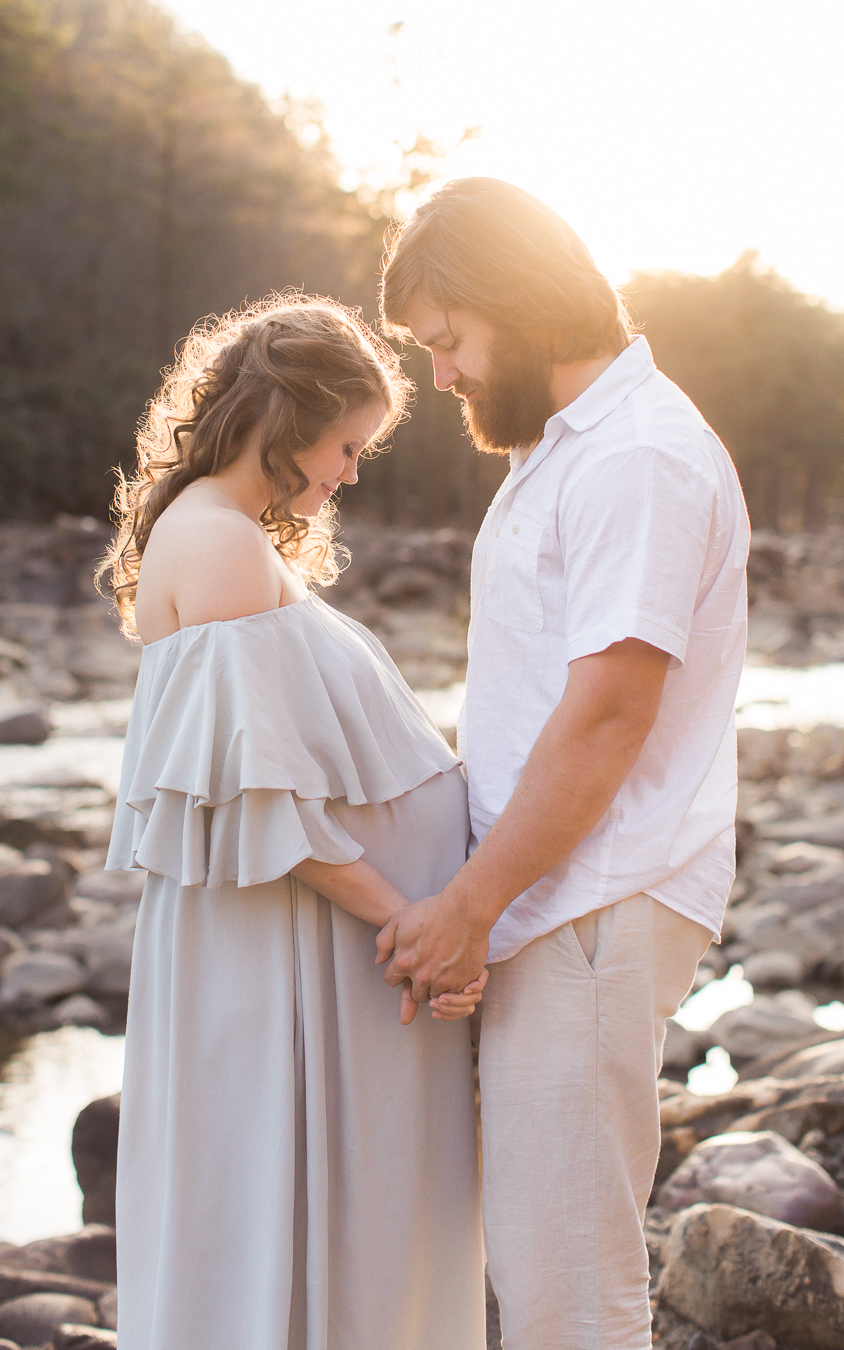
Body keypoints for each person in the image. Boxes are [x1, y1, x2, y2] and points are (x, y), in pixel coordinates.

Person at [378, 178, 751, 1350]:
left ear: (515, 300)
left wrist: (471, 908)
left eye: (448, 341)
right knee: (547, 1284)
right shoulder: (567, 449)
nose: (442, 376)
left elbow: (606, 716)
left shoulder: (638, 456)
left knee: (569, 1300)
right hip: (559, 903)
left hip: (589, 902)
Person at [99, 297, 487, 1350]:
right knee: (299, 1221)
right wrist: (413, 924)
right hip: (306, 963)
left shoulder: (223, 540)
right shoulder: (221, 548)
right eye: (347, 443)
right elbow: (269, 807)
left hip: (321, 959)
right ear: (288, 416)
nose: (351, 472)